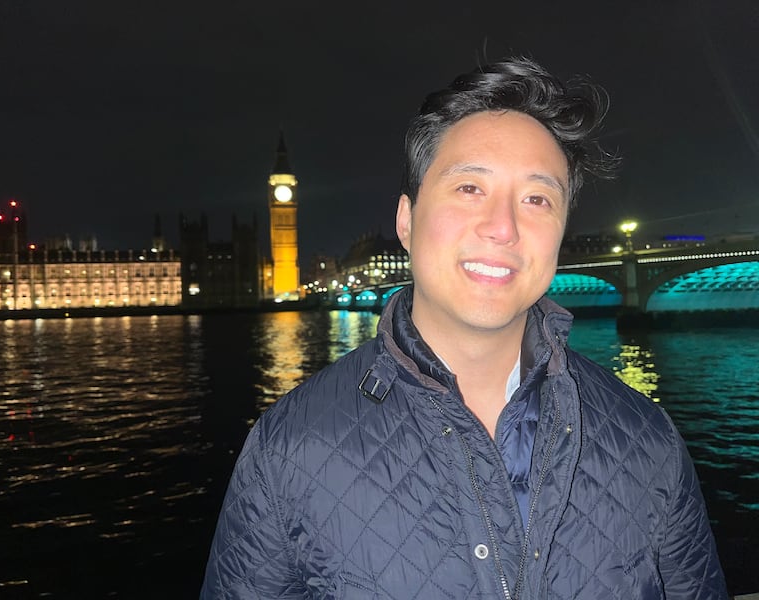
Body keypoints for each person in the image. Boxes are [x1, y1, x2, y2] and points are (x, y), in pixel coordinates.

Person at [200, 56, 728, 599]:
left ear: (561, 232)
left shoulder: (649, 438)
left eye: (537, 199)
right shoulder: (286, 448)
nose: (502, 226)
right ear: (405, 221)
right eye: (469, 188)